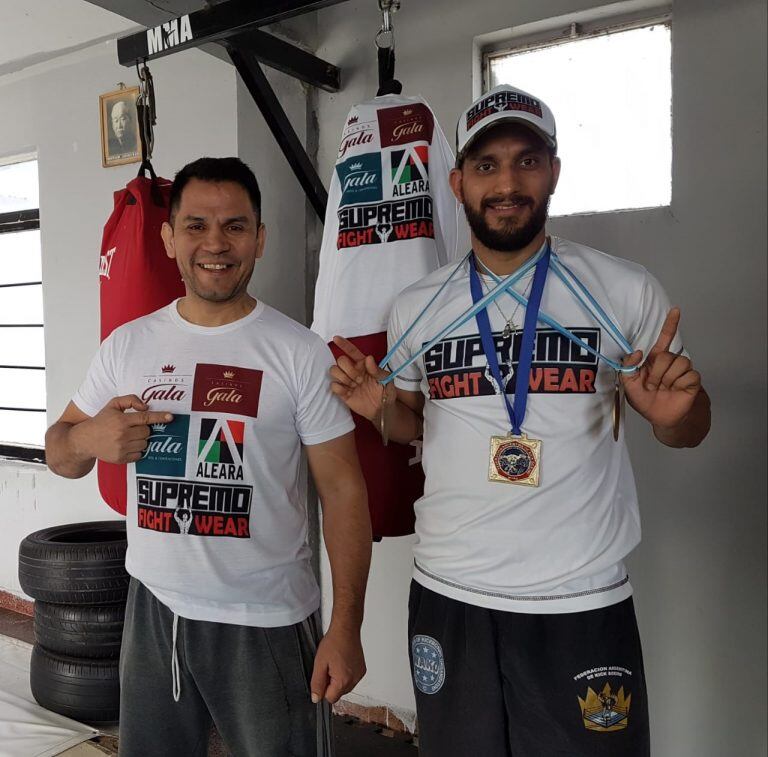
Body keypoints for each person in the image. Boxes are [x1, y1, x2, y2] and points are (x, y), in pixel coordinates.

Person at [330, 84, 710, 756]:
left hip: (578, 601)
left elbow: (688, 425)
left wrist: (673, 416)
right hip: (450, 597)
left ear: (554, 171)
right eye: (486, 166)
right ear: (457, 183)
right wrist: (381, 410)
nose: (507, 183)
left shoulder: (624, 290)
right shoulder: (419, 305)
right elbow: (418, 425)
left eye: (526, 161)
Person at [46, 157, 372, 756]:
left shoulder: (298, 352)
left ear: (260, 238)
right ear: (167, 237)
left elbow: (344, 491)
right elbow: (59, 451)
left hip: (267, 619)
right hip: (153, 610)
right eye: (196, 225)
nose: (216, 244)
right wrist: (91, 439)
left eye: (235, 226)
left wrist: (346, 624)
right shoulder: (129, 345)